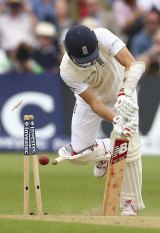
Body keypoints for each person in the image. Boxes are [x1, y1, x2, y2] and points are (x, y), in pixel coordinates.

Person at [56, 25, 145, 216]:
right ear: (69, 54)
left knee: (129, 146)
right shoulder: (66, 70)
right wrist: (116, 118)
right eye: (83, 61)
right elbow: (94, 103)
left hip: (123, 91)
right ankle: (104, 153)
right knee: (78, 154)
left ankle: (130, 204)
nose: (89, 64)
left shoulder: (103, 35)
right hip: (91, 101)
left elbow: (133, 64)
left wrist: (125, 93)